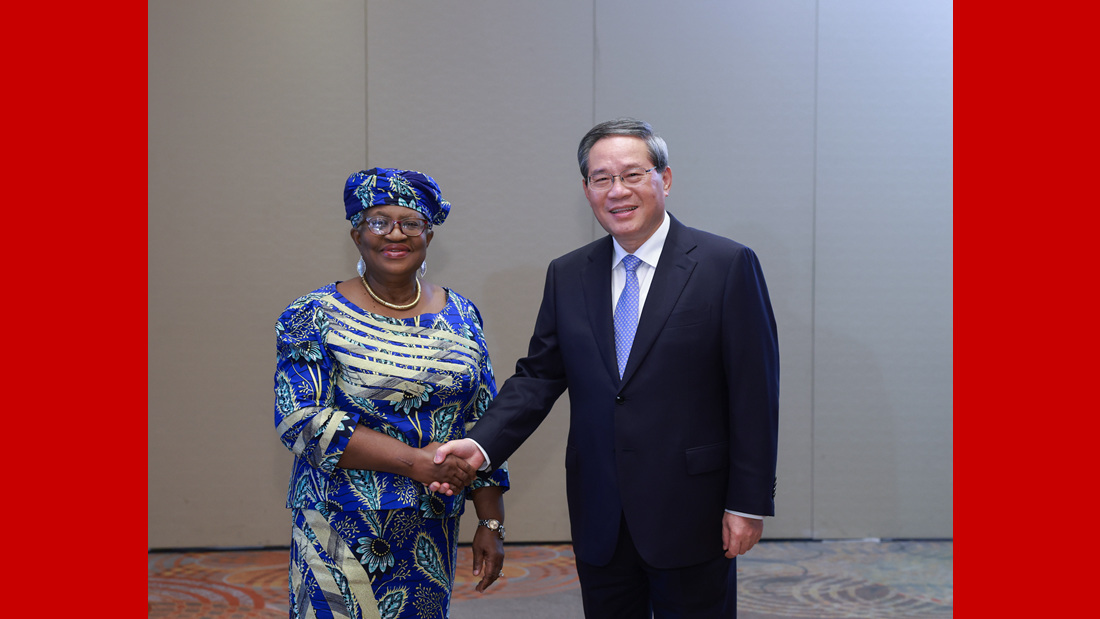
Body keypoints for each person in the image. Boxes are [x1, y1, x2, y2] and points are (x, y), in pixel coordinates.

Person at [432, 119, 779, 618]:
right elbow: (538, 377)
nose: (617, 191)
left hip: (692, 509)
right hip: (600, 509)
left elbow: (755, 394)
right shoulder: (568, 273)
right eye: (602, 178)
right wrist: (482, 444)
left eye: (633, 174)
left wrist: (746, 503)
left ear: (665, 178)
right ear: (586, 190)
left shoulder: (726, 265)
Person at [274, 168, 510, 619]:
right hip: (338, 519)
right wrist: (415, 462)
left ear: (429, 234)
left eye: (411, 223)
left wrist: (491, 520)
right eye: (379, 222)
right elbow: (299, 420)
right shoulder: (312, 314)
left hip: (431, 523)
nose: (395, 234)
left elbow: (485, 420)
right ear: (357, 234)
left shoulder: (463, 314)